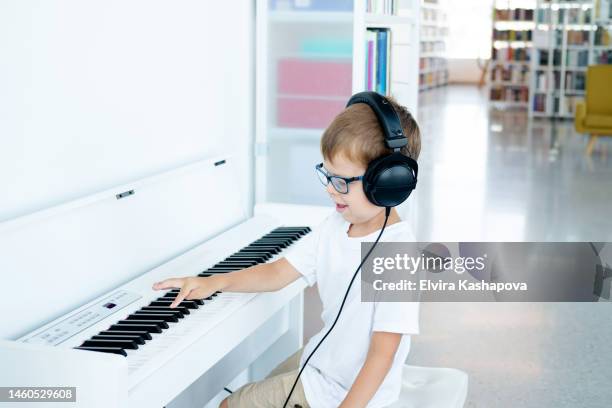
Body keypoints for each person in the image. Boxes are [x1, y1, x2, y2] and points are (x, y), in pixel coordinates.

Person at [152, 94, 422, 407]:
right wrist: (214, 282)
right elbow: (280, 272)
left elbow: (383, 353)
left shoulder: (398, 256)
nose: (329, 189)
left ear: (390, 182)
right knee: (263, 383)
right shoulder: (335, 225)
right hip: (323, 362)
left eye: (342, 181)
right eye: (327, 174)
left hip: (341, 394)